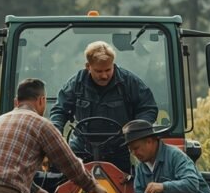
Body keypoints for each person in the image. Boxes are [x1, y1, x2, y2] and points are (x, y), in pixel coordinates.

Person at [49, 41, 158, 174]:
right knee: (60, 177)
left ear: (113, 64)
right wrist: (55, 133)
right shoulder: (76, 84)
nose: (104, 75)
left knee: (126, 186)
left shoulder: (129, 82)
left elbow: (148, 108)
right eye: (99, 71)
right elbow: (59, 110)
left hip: (118, 148)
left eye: (108, 70)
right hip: (82, 147)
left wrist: (136, 132)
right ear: (88, 66)